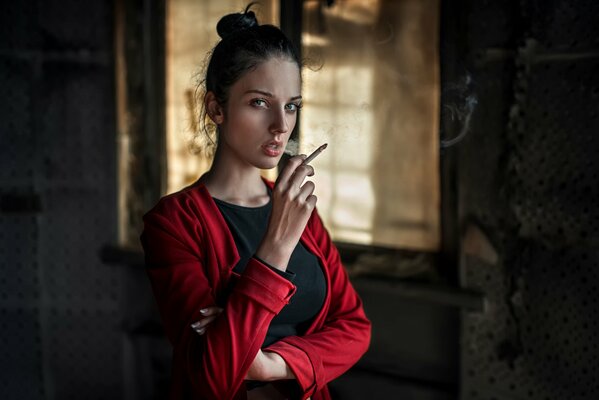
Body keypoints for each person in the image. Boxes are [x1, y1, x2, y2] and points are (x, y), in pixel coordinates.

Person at [140, 4, 371, 399]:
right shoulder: (174, 224)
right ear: (216, 108)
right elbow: (214, 376)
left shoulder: (298, 211)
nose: (281, 126)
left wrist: (269, 363)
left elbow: (354, 328)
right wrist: (276, 247)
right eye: (260, 102)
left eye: (292, 105)